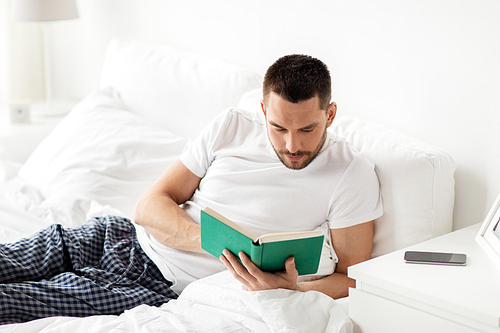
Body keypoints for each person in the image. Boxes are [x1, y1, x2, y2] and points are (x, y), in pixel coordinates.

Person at [0, 54, 382, 324]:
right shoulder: (231, 126)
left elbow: (352, 277)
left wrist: (292, 288)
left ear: (329, 114)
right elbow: (150, 205)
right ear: (264, 111)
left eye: (307, 130)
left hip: (153, 283)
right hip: (116, 235)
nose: (292, 146)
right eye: (279, 128)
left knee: (10, 302)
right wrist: (213, 242)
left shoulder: (351, 173)